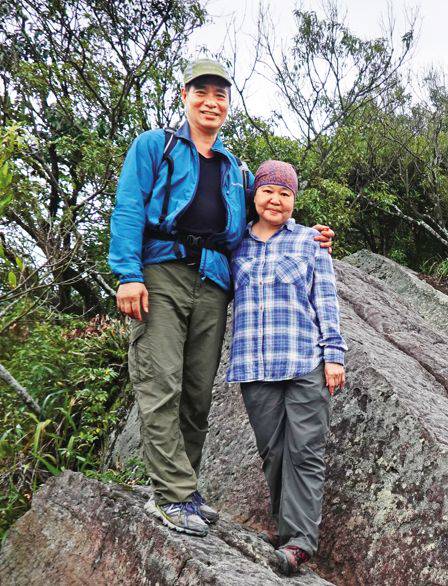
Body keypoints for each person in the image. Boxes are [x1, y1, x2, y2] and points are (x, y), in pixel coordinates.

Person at [108, 58, 334, 537]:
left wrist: (309, 235)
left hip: (213, 282)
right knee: (160, 382)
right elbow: (128, 206)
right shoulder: (155, 146)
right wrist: (128, 274)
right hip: (162, 272)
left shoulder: (235, 169)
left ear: (228, 104)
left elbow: (270, 208)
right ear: (185, 95)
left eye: (220, 95)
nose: (211, 102)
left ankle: (184, 489)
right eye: (202, 92)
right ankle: (170, 494)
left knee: (195, 392)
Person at [227, 160, 347, 575]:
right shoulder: (234, 245)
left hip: (304, 361)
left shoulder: (311, 242)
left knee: (305, 452)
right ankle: (284, 530)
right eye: (268, 191)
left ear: (294, 200)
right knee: (273, 454)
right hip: (254, 365)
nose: (276, 200)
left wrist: (334, 355)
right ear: (254, 196)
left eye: (285, 194)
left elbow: (326, 299)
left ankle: (299, 543)